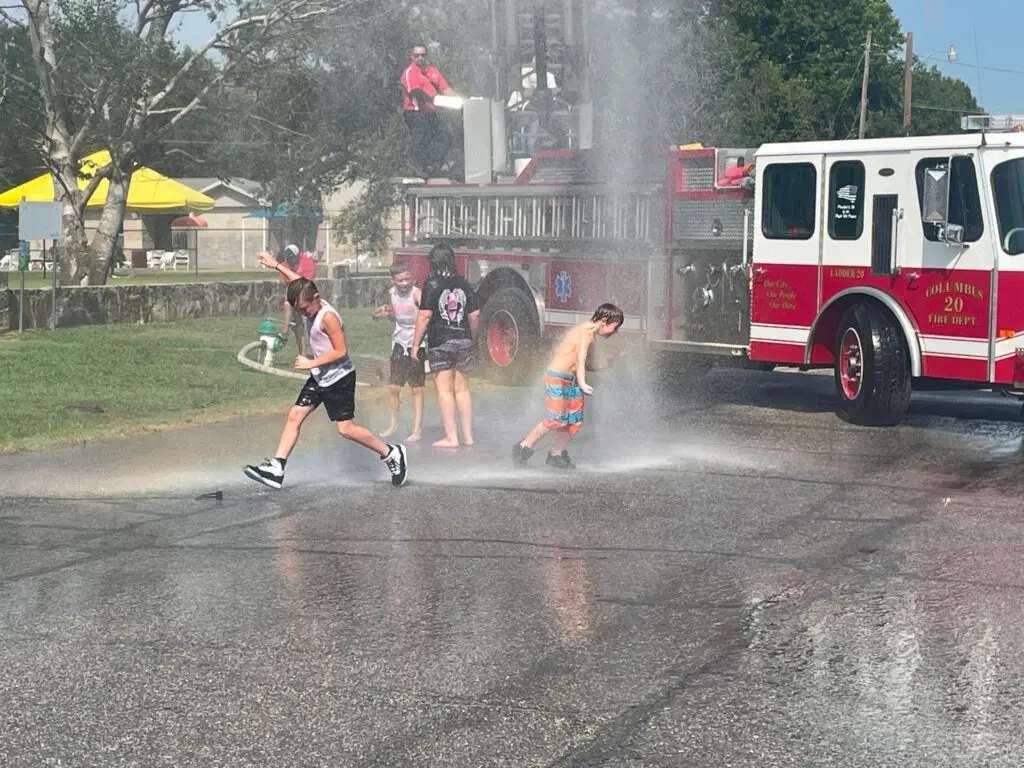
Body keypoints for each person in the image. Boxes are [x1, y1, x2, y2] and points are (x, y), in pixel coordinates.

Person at [243, 250, 409, 489]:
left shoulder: (328, 317)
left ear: (316, 298)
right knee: (295, 415)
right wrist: (276, 265)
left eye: (304, 309)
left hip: (339, 378)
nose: (303, 314)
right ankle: (277, 468)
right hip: (321, 376)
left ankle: (391, 453)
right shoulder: (309, 295)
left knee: (346, 429)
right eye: (298, 310)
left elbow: (341, 351)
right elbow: (297, 280)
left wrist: (311, 363)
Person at [512, 303, 624, 469]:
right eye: (614, 328)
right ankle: (523, 447)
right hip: (557, 378)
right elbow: (579, 360)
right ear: (604, 321)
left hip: (571, 380)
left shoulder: (592, 336)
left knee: (572, 421)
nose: (615, 332)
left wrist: (607, 364)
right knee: (555, 418)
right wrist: (583, 383)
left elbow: (587, 365)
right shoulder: (585, 333)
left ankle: (556, 454)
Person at [411, 243, 479, 448]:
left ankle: (451, 437)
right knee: (462, 390)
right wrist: (472, 338)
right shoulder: (464, 283)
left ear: (434, 262)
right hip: (464, 340)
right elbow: (475, 314)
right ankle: (468, 436)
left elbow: (424, 316)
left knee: (445, 390)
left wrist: (415, 345)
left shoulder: (431, 284)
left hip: (441, 342)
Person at [373, 260, 425, 443]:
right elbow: (397, 317)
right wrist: (386, 315)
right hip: (399, 342)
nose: (404, 284)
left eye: (407, 279)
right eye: (400, 280)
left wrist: (418, 344)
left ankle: (417, 429)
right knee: (394, 387)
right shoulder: (391, 293)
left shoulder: (417, 294)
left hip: (417, 343)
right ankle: (393, 424)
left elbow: (426, 316)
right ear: (393, 280)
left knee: (416, 388)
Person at [400, 43, 455, 179]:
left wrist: (458, 101)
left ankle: (434, 164)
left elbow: (446, 88)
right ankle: (416, 165)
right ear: (411, 57)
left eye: (423, 55)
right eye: (417, 55)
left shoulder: (433, 71)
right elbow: (414, 91)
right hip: (416, 111)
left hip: (431, 112)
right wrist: (433, 100)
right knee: (421, 138)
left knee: (446, 134)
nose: (420, 58)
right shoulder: (409, 72)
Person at [279, 244, 315, 355]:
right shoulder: (284, 265)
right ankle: (302, 353)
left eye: (291, 257)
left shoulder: (306, 263)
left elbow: (307, 282)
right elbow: (282, 281)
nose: (289, 259)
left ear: (297, 255)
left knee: (287, 303)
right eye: (288, 257)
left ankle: (285, 329)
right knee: (298, 326)